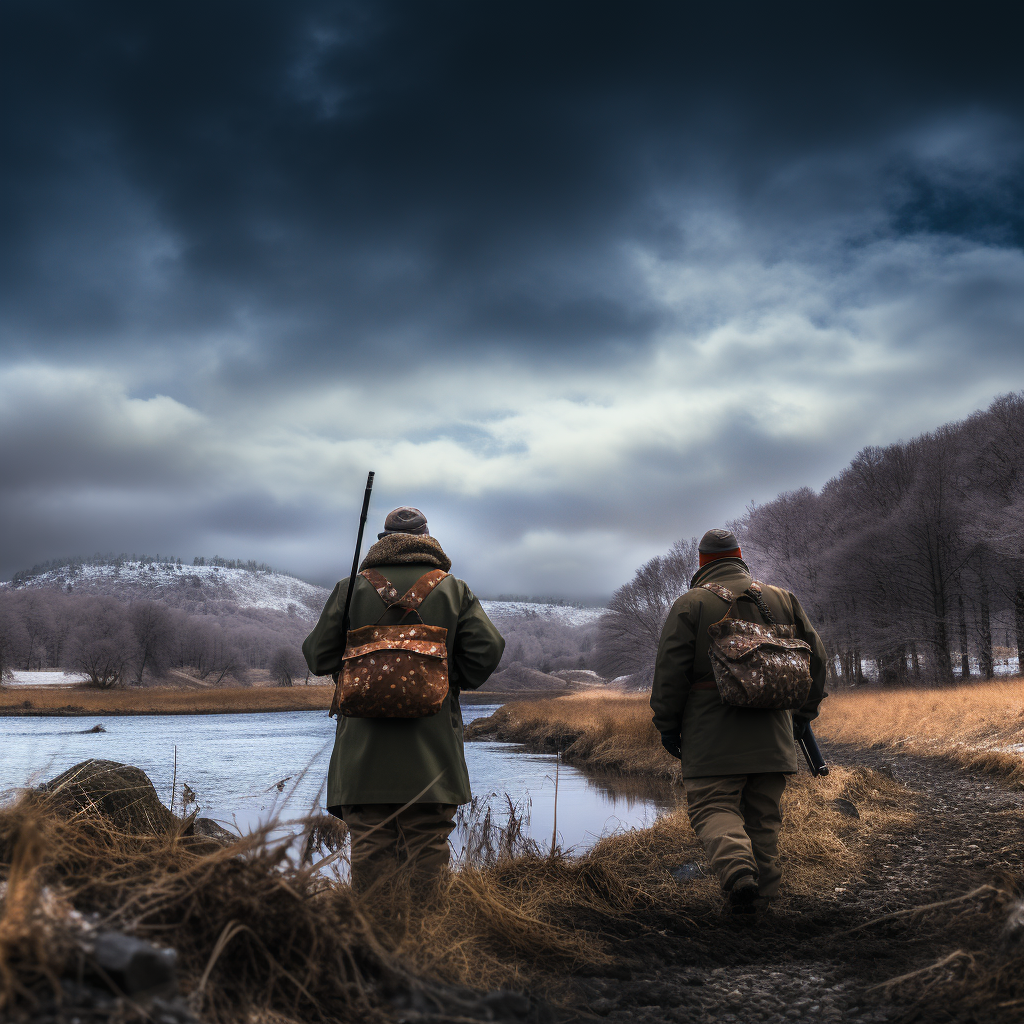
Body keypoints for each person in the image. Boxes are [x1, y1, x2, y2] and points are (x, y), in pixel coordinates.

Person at [302, 506, 505, 890]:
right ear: (428, 539)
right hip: (432, 755)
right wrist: (443, 678)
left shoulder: (351, 588)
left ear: (382, 541)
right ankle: (427, 941)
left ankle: (376, 941)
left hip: (362, 758)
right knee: (428, 849)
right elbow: (488, 649)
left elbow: (317, 657)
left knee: (371, 851)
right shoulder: (453, 588)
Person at [650, 528, 827, 914]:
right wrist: (800, 719)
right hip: (775, 737)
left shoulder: (691, 604)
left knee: (712, 808)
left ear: (701, 563)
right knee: (763, 823)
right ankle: (761, 908)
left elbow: (669, 675)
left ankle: (737, 872)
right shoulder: (782, 599)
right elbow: (818, 661)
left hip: (711, 739)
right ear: (739, 555)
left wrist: (667, 726)